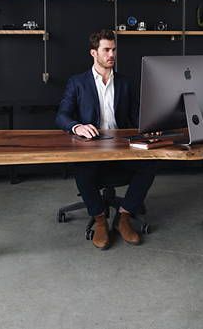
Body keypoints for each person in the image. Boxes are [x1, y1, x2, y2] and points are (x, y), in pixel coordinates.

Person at [56, 29, 157, 250]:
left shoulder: (125, 83)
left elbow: (136, 115)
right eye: (106, 50)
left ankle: (124, 216)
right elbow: (61, 115)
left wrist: (152, 123)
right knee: (82, 169)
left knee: (150, 164)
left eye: (114, 50)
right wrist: (77, 126)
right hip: (91, 147)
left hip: (122, 147)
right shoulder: (77, 82)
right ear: (94, 53)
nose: (111, 54)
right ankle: (100, 219)